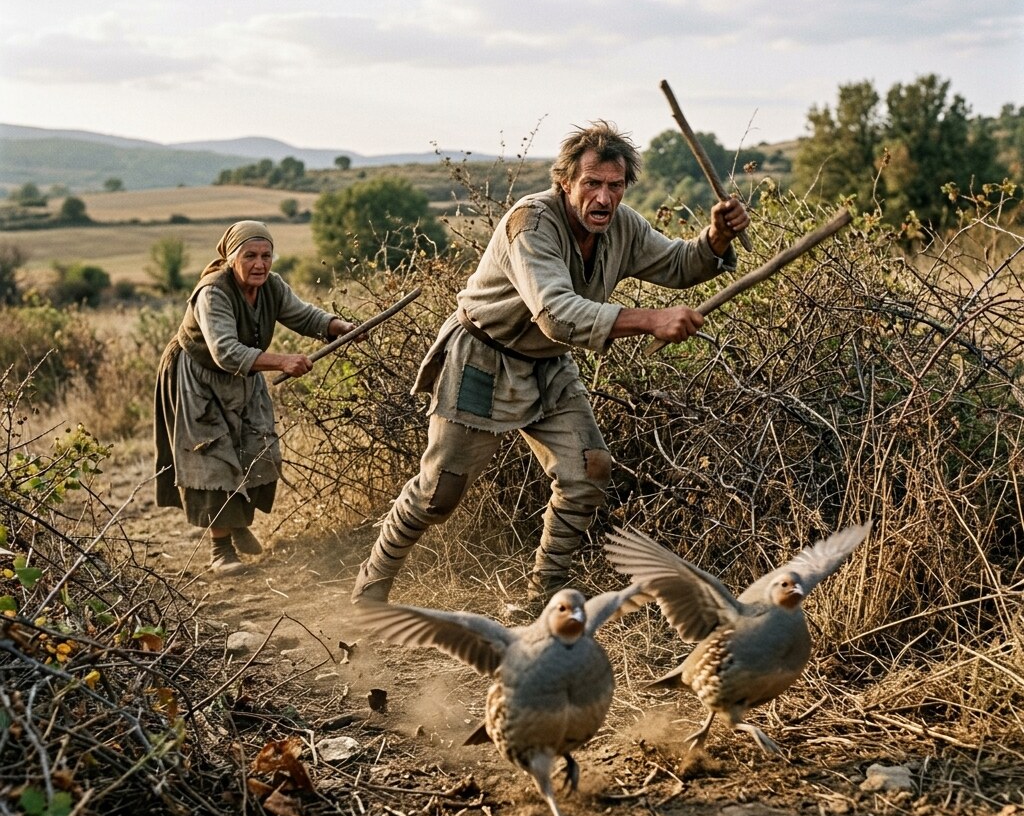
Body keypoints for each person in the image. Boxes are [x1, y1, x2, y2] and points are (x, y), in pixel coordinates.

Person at [351, 120, 750, 607]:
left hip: (547, 369)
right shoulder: (531, 223)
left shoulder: (622, 226)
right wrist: (650, 319)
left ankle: (543, 595)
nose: (604, 198)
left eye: (615, 186)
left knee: (589, 471)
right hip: (481, 359)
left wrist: (716, 238)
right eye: (592, 184)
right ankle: (369, 590)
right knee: (440, 493)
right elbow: (556, 315)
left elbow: (680, 264)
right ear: (565, 182)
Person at [154, 220, 355, 577]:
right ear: (230, 258)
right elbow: (225, 352)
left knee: (258, 450)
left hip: (245, 378)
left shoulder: (271, 287)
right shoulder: (212, 293)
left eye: (266, 255)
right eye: (250, 255)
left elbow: (303, 314)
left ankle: (235, 518)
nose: (260, 263)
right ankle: (221, 551)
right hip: (198, 379)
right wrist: (283, 361)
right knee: (212, 459)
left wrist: (335, 326)